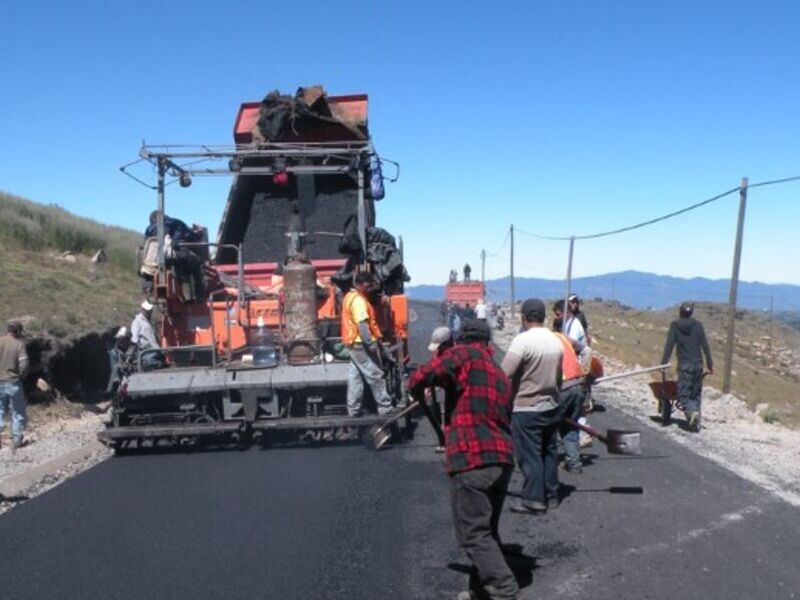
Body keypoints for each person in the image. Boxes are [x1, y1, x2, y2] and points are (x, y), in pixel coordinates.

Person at [408, 319, 518, 600]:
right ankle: (479, 589)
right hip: (502, 460)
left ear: (461, 340)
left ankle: (504, 590)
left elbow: (422, 376)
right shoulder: (499, 372)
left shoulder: (463, 354)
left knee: (472, 535)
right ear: (489, 342)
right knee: (486, 530)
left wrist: (417, 382)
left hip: (472, 458)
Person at [501, 298, 564, 514]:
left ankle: (533, 500)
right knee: (549, 450)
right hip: (552, 405)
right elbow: (559, 376)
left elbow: (504, 373)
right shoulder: (556, 341)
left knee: (530, 455)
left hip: (527, 407)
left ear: (524, 317)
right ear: (543, 317)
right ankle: (551, 494)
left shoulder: (523, 341)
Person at [341, 272, 394, 417]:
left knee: (355, 377)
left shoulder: (349, 297)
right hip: (360, 344)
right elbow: (362, 324)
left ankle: (353, 410)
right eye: (367, 285)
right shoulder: (358, 300)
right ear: (359, 284)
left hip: (352, 343)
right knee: (375, 374)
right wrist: (369, 343)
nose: (370, 287)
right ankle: (385, 407)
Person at [661, 301, 713, 432]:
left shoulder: (675, 326)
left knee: (683, 395)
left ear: (680, 312)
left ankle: (692, 412)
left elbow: (669, 345)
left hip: (685, 365)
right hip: (698, 364)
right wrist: (710, 364)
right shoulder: (698, 326)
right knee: (696, 393)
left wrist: (663, 363)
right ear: (691, 313)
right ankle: (696, 421)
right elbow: (705, 346)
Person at [145, 211, 206, 300]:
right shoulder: (175, 223)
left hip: (154, 261)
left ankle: (151, 295)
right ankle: (200, 297)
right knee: (197, 264)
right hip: (173, 255)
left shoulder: (149, 229)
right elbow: (191, 236)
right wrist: (199, 232)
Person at [551, 325, 586, 474]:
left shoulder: (546, 341)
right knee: (570, 426)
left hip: (564, 388)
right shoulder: (564, 338)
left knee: (549, 424)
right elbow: (585, 350)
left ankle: (546, 462)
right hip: (578, 385)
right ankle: (574, 463)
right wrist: (584, 371)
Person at [0, 321, 29, 451]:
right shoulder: (19, 345)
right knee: (17, 413)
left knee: (0, 411)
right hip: (13, 382)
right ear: (18, 331)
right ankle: (16, 440)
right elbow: (24, 365)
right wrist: (21, 377)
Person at [131, 300, 165, 370]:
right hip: (147, 353)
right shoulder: (137, 321)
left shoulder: (147, 322)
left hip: (155, 351)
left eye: (150, 310)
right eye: (147, 310)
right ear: (142, 310)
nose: (149, 312)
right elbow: (135, 339)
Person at [107, 327, 133, 395]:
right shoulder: (114, 352)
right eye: (119, 339)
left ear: (128, 339)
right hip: (120, 378)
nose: (120, 341)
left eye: (122, 339)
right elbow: (114, 367)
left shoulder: (135, 350)